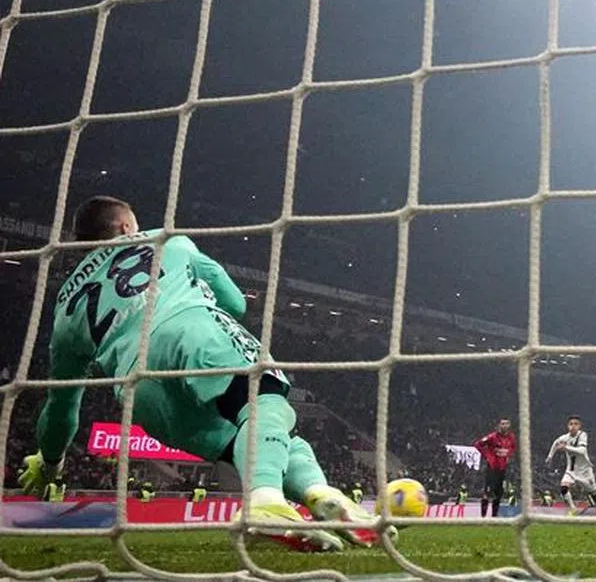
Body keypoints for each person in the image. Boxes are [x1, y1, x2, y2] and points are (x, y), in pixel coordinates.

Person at [16, 196, 373, 552]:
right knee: (265, 403)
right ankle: (265, 502)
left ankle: (319, 492)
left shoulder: (65, 307)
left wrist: (49, 463)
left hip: (138, 390)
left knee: (253, 442)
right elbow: (235, 302)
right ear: (126, 227)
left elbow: (61, 407)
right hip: (189, 331)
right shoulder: (165, 240)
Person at [545, 414, 596, 515]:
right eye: (571, 424)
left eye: (576, 424)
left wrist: (566, 448)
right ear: (568, 426)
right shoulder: (565, 437)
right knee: (563, 487)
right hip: (571, 470)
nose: (573, 426)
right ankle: (573, 508)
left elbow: (582, 451)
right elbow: (555, 443)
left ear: (579, 426)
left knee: (593, 493)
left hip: (585, 471)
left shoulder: (582, 435)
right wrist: (550, 456)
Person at [473, 417, 517, 517]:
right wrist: (487, 456)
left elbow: (513, 447)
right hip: (492, 468)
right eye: (502, 424)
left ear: (509, 425)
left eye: (506, 424)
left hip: (502, 468)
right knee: (487, 492)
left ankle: (494, 516)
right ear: (498, 425)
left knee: (498, 494)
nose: (504, 426)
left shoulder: (511, 437)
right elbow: (478, 444)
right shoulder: (492, 437)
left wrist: (508, 454)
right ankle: (483, 517)